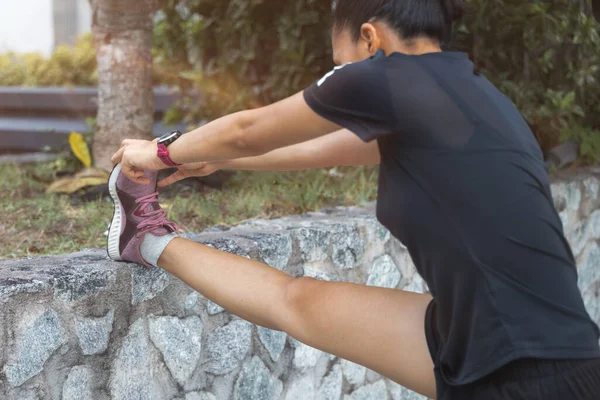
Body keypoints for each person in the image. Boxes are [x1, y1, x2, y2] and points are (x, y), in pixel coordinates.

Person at [108, 1, 600, 398]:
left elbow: (246, 130)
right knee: (298, 302)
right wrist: (213, 160)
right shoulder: (471, 91)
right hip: (529, 341)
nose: (340, 76)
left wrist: (158, 150)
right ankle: (144, 240)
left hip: (529, 376)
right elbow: (328, 147)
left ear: (370, 38)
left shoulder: (389, 76)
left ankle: (147, 237)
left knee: (294, 303)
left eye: (339, 63)